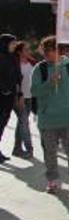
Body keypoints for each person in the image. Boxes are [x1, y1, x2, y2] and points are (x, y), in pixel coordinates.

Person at [31, 37, 69, 193]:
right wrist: (50, 83)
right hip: (47, 119)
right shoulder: (39, 68)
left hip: (68, 119)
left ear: (58, 50)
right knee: (50, 152)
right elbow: (34, 91)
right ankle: (53, 180)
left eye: (48, 50)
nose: (45, 53)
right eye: (44, 50)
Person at [0, 34, 22, 164]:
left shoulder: (14, 57)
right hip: (1, 95)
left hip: (10, 96)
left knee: (3, 122)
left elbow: (17, 76)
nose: (14, 46)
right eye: (12, 43)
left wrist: (19, 92)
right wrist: (4, 89)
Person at [12, 42, 35, 159]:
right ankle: (29, 149)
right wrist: (18, 95)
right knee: (25, 122)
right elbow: (13, 82)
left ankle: (17, 148)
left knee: (21, 123)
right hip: (18, 98)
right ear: (19, 51)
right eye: (26, 49)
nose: (29, 51)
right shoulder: (14, 64)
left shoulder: (32, 62)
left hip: (29, 97)